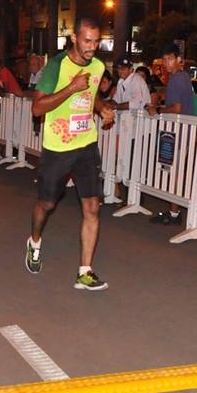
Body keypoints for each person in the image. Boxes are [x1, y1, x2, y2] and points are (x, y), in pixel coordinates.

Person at [25, 16, 116, 290]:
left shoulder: (99, 66)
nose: (92, 46)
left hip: (86, 144)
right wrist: (70, 88)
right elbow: (37, 109)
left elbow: (90, 95)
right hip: (58, 147)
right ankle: (35, 241)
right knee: (47, 204)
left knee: (92, 207)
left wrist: (101, 108)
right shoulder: (56, 66)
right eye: (87, 41)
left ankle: (85, 272)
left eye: (96, 41)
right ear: (74, 38)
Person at [147, 43, 196, 225]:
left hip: (180, 131)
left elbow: (176, 108)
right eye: (164, 59)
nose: (166, 63)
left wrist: (157, 110)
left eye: (169, 59)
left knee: (174, 172)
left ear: (178, 60)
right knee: (177, 172)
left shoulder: (176, 78)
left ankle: (175, 213)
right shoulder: (184, 77)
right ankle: (176, 211)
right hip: (186, 130)